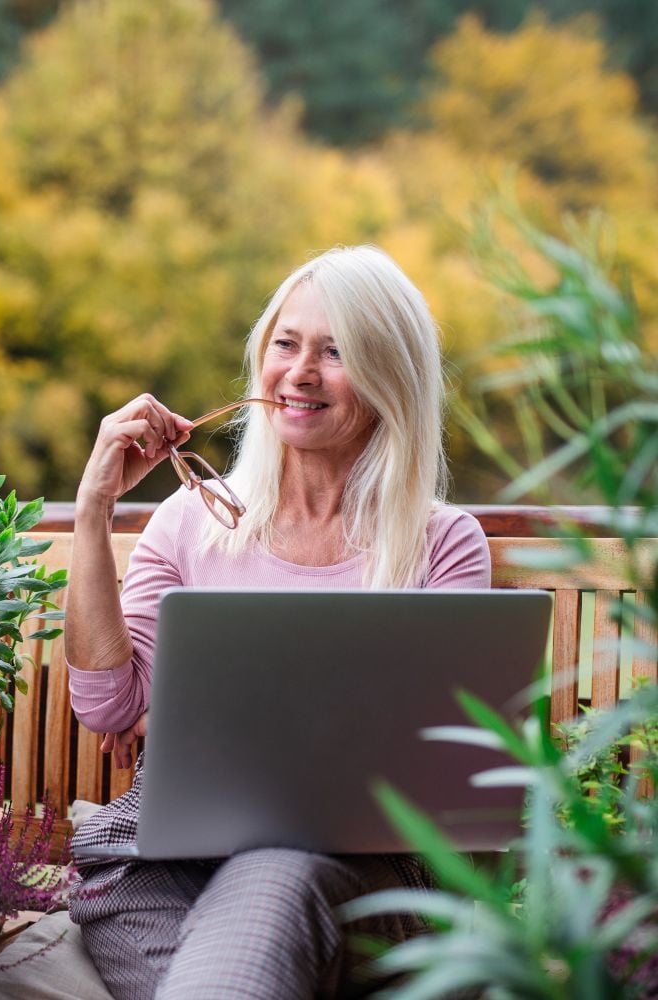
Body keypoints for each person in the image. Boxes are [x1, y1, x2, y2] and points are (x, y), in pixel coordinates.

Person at [64, 245, 491, 1000]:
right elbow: (108, 706)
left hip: (362, 879)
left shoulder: (441, 545)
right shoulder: (190, 523)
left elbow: (444, 775)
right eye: (286, 344)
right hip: (156, 872)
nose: (301, 371)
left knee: (270, 872)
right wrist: (93, 509)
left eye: (337, 353)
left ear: (392, 376)